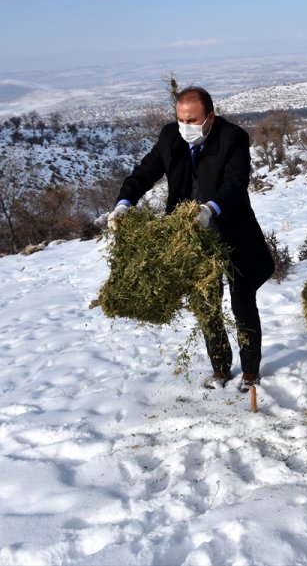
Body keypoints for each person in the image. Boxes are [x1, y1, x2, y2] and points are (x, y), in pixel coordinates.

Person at [107, 86, 274, 390]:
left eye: (193, 120)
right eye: (181, 120)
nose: (186, 127)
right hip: (190, 239)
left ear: (211, 116)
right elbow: (144, 173)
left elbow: (236, 184)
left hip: (231, 229)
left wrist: (209, 209)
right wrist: (123, 204)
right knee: (205, 302)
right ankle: (220, 368)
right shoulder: (170, 137)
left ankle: (251, 370)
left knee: (242, 301)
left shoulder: (233, 137)